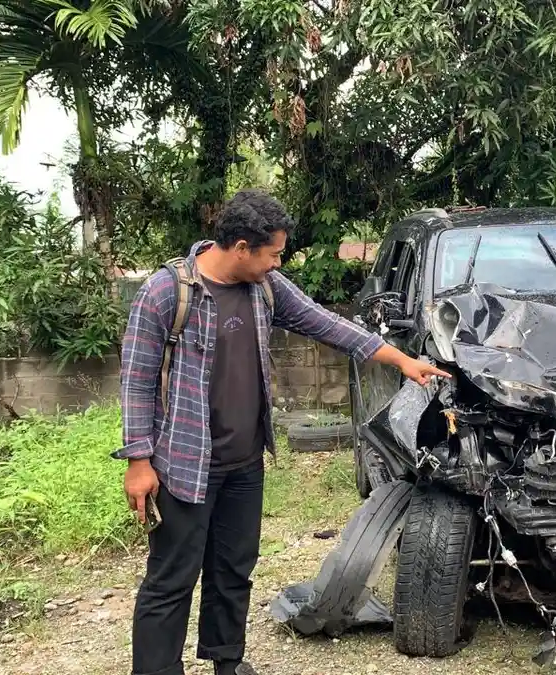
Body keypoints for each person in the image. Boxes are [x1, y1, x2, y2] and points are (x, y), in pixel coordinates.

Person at [113, 189, 448, 675]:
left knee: (233, 572)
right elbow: (136, 379)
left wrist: (400, 359)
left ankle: (227, 664)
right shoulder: (168, 292)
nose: (278, 262)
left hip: (244, 462)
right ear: (243, 248)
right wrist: (138, 462)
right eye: (273, 253)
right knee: (172, 579)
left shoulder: (265, 288)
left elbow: (327, 325)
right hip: (184, 464)